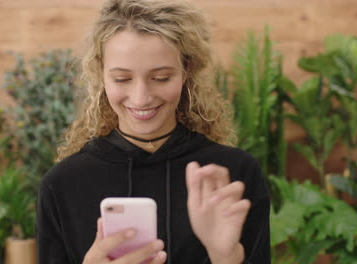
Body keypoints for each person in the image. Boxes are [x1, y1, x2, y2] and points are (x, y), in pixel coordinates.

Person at [36, 0, 270, 263]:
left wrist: (225, 257)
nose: (141, 98)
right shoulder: (63, 184)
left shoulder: (234, 173)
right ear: (101, 75)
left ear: (186, 72)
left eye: (161, 78)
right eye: (122, 79)